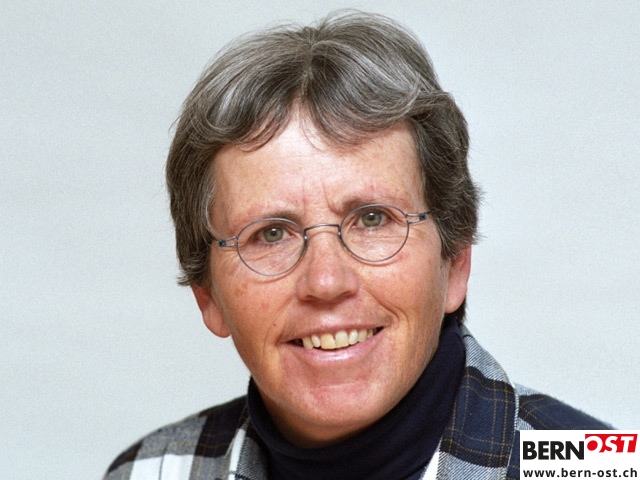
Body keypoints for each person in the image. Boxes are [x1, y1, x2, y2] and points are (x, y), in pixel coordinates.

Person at [104, 11, 609, 480]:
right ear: (207, 294)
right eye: (271, 234)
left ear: (455, 260)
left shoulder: (602, 469)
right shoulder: (146, 473)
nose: (326, 281)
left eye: (372, 219)